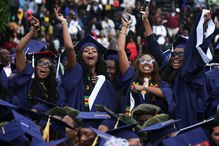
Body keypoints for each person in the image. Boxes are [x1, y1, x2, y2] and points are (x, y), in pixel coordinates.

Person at [143, 7, 215, 129]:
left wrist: (203, 24)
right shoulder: (167, 69)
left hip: (188, 121)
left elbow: (196, 46)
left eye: (181, 54)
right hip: (168, 119)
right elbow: (154, 47)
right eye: (174, 54)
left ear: (187, 57)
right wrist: (145, 20)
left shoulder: (191, 73)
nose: (176, 57)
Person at [55, 8, 119, 112]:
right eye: (86, 50)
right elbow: (70, 48)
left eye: (94, 51)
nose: (90, 52)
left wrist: (101, 81)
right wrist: (64, 22)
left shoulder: (103, 79)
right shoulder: (76, 70)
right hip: (76, 119)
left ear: (98, 56)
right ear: (80, 56)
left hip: (96, 121)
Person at [117, 13, 175, 115]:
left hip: (155, 124)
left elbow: (166, 94)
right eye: (143, 61)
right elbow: (121, 50)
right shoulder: (131, 76)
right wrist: (125, 27)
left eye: (150, 61)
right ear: (137, 65)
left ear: (154, 65)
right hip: (132, 122)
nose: (146, 63)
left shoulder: (160, 83)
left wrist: (144, 88)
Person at [14, 16, 59, 112]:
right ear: (35, 66)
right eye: (41, 63)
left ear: (50, 70)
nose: (44, 66)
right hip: (25, 119)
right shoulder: (27, 76)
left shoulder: (52, 88)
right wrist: (33, 30)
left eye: (47, 65)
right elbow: (19, 50)